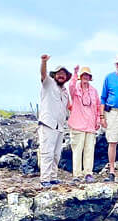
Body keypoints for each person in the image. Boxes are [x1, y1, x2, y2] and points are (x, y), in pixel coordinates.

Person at [38, 54, 71, 187]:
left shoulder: (65, 91)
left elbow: (67, 108)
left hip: (60, 126)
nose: (61, 76)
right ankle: (45, 179)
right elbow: (43, 73)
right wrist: (44, 61)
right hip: (48, 124)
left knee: (56, 154)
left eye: (64, 74)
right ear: (55, 75)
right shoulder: (48, 83)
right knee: (47, 153)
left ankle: (53, 177)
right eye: (59, 74)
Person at [68, 65, 101, 182]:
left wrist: (98, 120)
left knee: (89, 150)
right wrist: (75, 73)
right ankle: (76, 175)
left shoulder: (94, 91)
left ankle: (88, 173)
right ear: (80, 77)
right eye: (83, 75)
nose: (85, 77)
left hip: (90, 125)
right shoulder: (75, 89)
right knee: (77, 150)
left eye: (87, 75)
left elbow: (98, 106)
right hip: (77, 124)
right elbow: (70, 87)